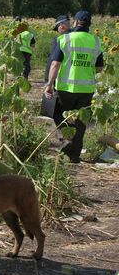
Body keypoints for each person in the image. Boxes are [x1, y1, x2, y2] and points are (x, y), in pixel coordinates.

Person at [44, 10, 104, 163]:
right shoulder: (96, 42)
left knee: (58, 114)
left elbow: (55, 64)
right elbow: (99, 68)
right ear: (89, 25)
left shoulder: (65, 39)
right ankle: (75, 155)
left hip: (66, 88)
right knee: (81, 122)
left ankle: (65, 139)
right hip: (86, 90)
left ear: (76, 22)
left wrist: (49, 85)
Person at [44, 15, 70, 84]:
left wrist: (47, 79)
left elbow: (52, 61)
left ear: (61, 26)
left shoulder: (59, 40)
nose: (57, 31)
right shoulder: (78, 39)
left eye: (57, 28)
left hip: (60, 79)